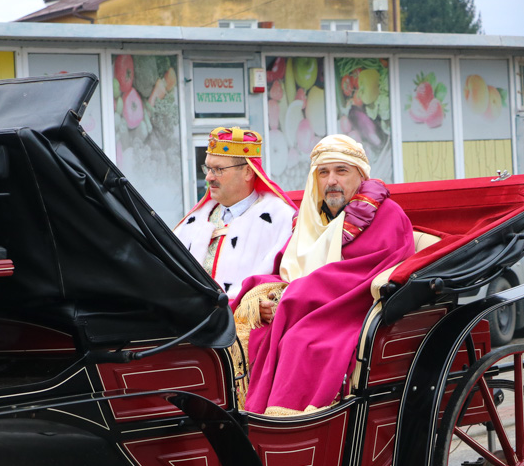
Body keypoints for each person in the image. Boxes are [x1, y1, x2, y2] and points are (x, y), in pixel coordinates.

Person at [233, 134, 415, 415]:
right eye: (323, 172)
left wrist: (292, 298)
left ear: (360, 175)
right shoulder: (311, 218)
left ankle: (289, 428)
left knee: (300, 342)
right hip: (305, 307)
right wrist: (268, 301)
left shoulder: (388, 214)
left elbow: (361, 276)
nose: (331, 180)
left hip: (352, 313)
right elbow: (287, 268)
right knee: (247, 335)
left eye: (341, 171)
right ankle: (245, 418)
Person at [174, 128, 296, 302]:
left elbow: (292, 279)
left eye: (218, 169)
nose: (208, 177)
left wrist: (263, 302)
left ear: (248, 172)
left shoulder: (281, 220)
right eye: (208, 168)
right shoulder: (196, 220)